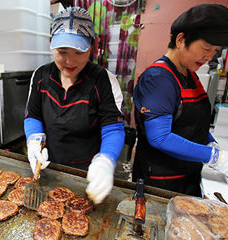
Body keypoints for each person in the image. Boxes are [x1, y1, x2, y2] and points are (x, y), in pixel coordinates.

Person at [24, 7, 125, 204]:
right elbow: (33, 115)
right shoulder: (41, 76)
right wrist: (34, 141)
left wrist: (106, 160)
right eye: (62, 52)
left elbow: (113, 127)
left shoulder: (104, 80)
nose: (70, 61)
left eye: (79, 52)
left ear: (91, 47)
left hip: (88, 176)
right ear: (50, 44)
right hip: (49, 168)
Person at [132, 4, 228, 197]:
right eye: (206, 48)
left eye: (215, 51)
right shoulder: (158, 79)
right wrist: (213, 157)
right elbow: (160, 137)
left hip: (186, 176)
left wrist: (211, 143)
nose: (210, 56)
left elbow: (192, 123)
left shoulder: (189, 75)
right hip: (161, 183)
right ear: (181, 40)